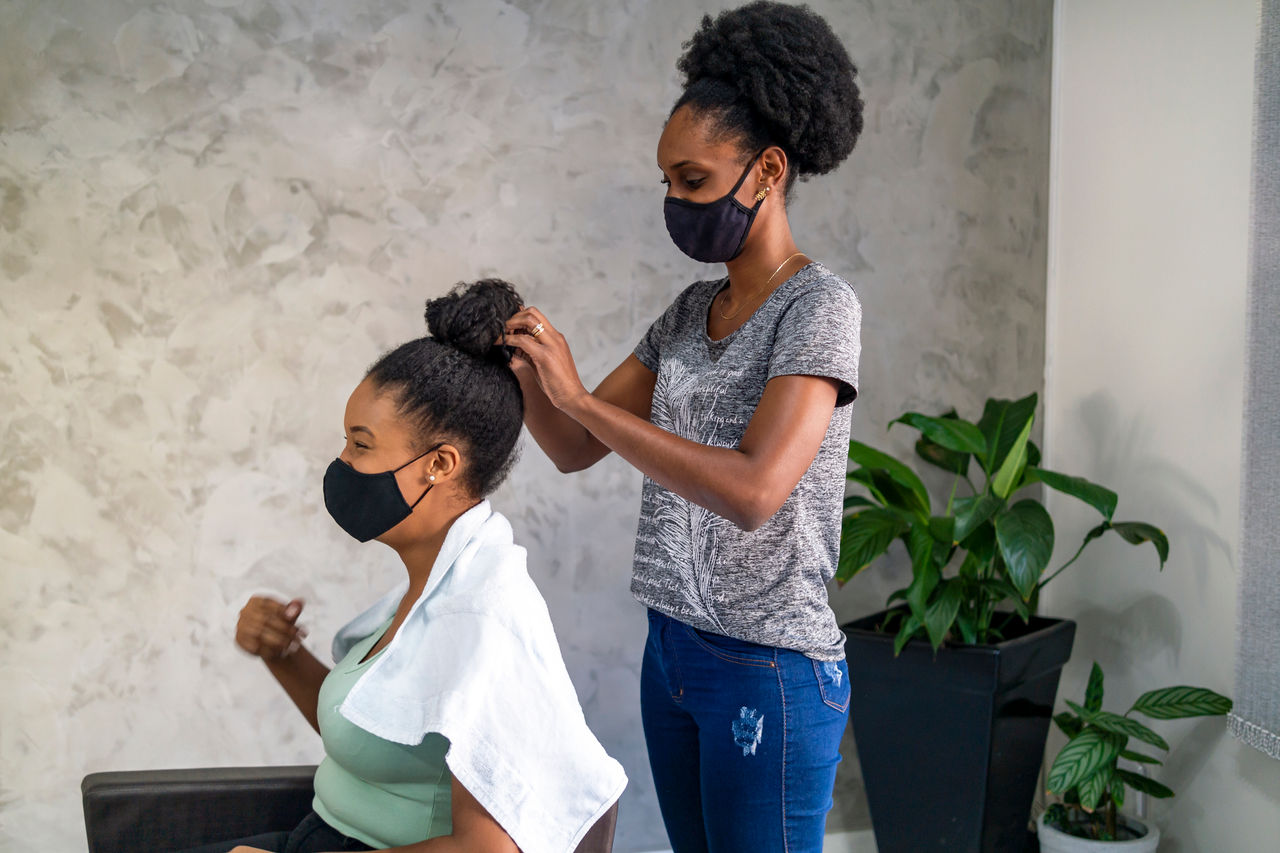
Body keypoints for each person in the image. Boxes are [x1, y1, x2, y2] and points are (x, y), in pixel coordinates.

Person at [501, 3, 864, 851]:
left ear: (767, 170)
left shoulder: (818, 309)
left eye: (693, 180)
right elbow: (575, 447)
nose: (675, 201)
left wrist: (581, 397)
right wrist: (525, 368)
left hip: (769, 667)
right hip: (672, 655)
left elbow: (754, 489)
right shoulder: (688, 311)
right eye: (667, 181)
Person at [198, 279, 626, 853]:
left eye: (361, 444)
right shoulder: (431, 593)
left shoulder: (481, 612)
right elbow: (376, 741)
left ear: (439, 465)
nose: (341, 464)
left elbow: (489, 849)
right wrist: (283, 653)